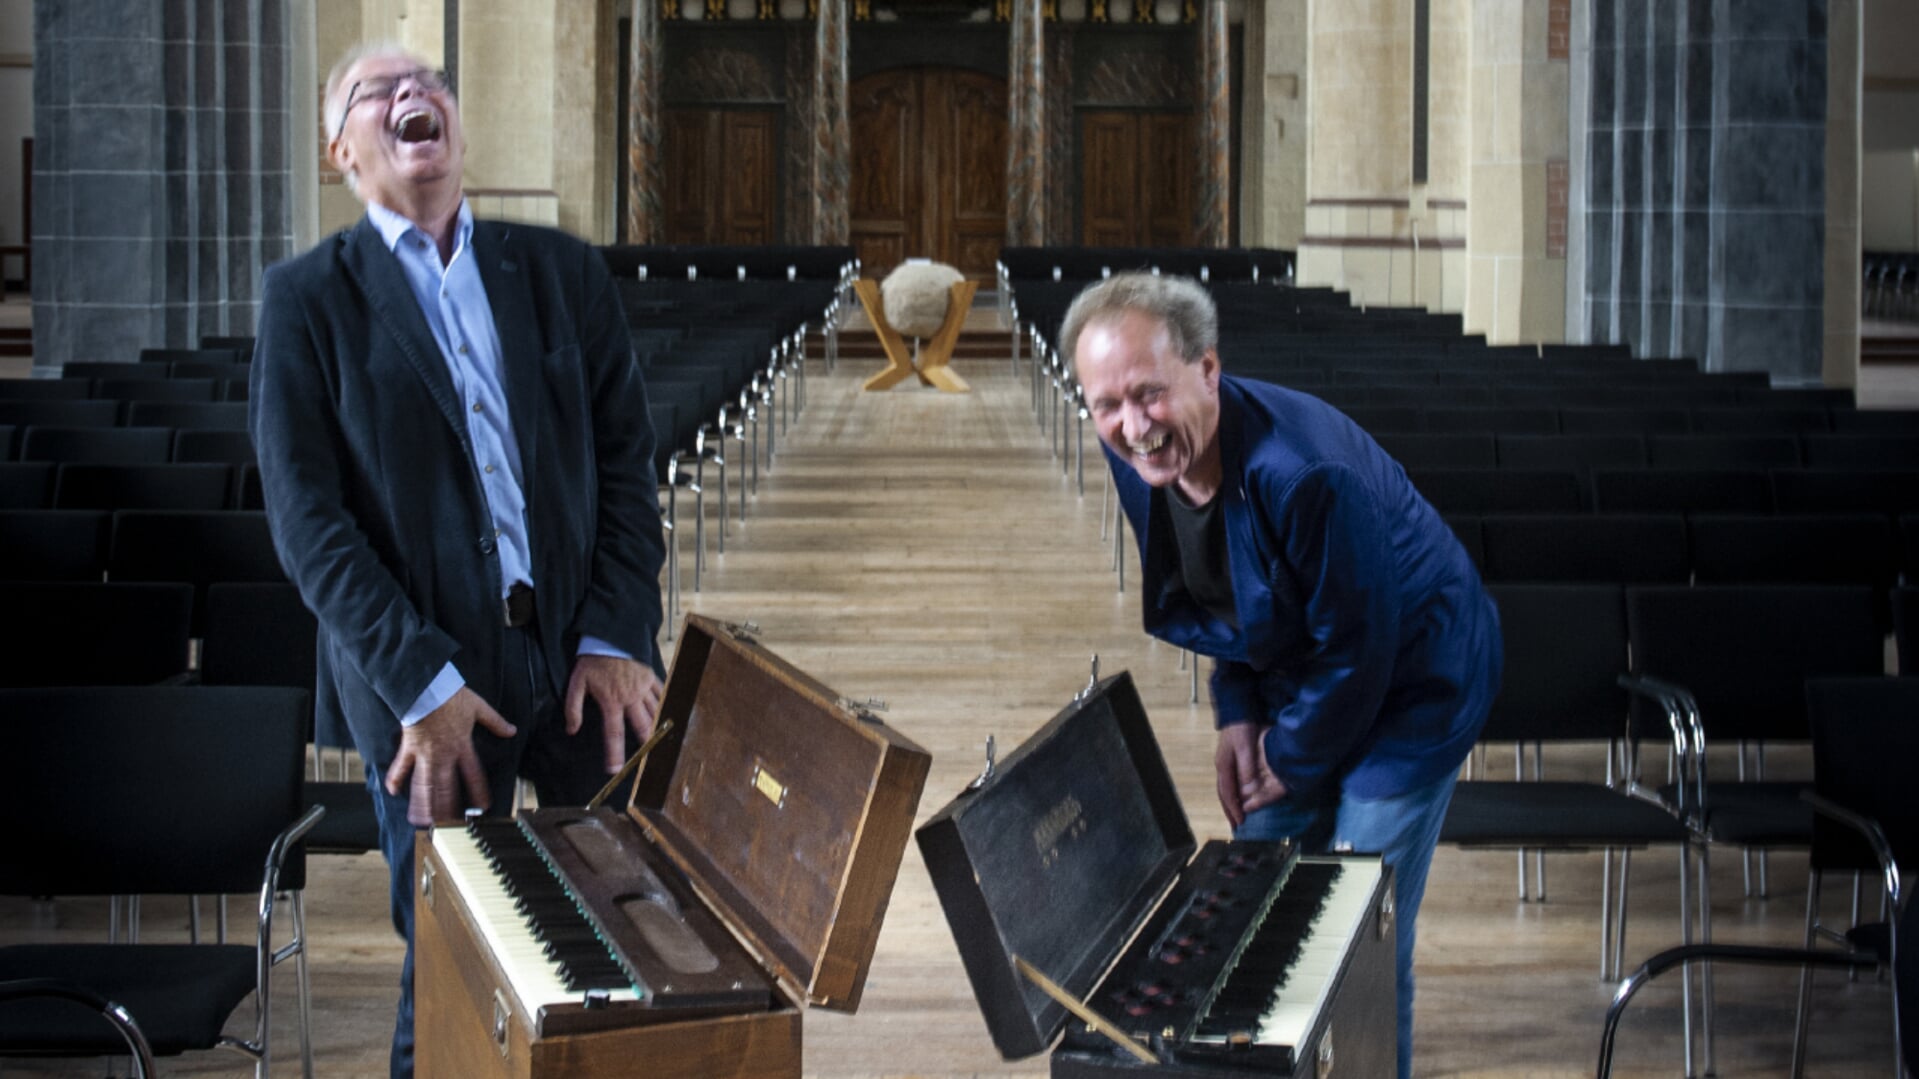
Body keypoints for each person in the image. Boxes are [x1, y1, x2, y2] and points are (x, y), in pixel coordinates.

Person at [250, 42, 667, 1079]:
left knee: (620, 933)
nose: (409, 95)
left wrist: (616, 633)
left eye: (426, 81)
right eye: (374, 91)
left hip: (579, 661)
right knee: (455, 960)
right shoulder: (308, 300)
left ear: (455, 125)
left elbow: (624, 463)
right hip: (430, 688)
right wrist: (419, 681)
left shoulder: (561, 269)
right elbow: (310, 523)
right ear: (342, 149)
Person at [1063, 273, 1501, 1079]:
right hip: (1308, 667)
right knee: (1252, 903)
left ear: (1208, 370)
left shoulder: (1301, 472)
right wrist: (1236, 715)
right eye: (1106, 404)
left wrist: (1287, 757)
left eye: (1148, 393)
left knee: (1356, 936)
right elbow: (1211, 591)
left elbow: (1359, 650)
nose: (1132, 425)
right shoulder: (1136, 453)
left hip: (1414, 679)